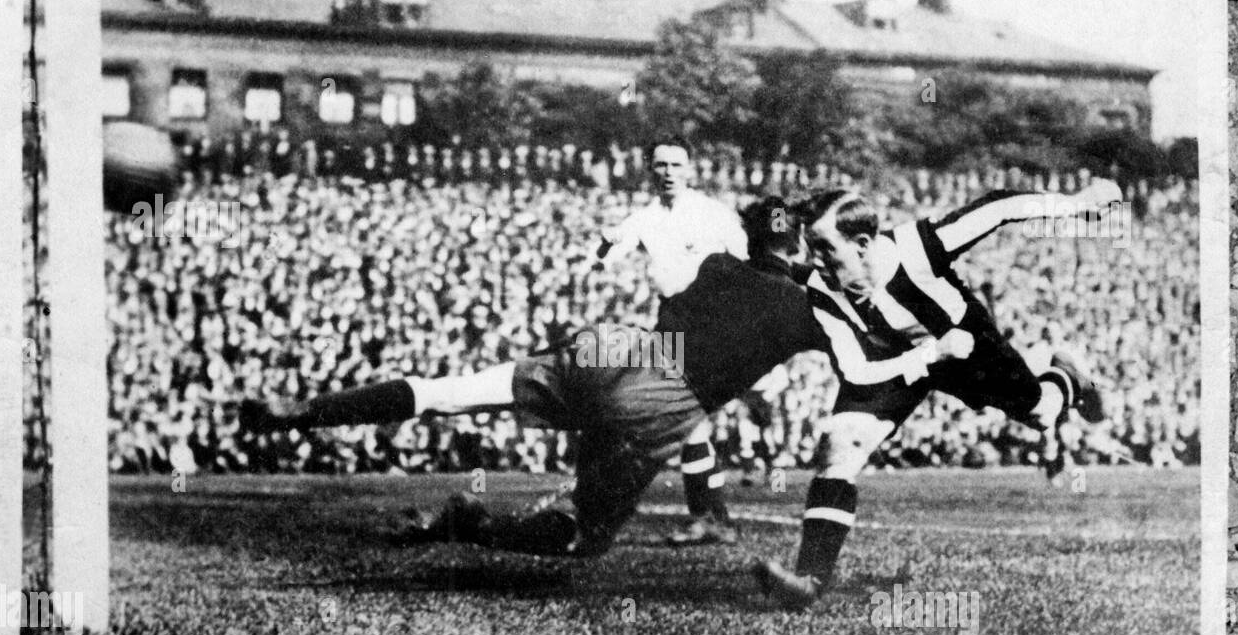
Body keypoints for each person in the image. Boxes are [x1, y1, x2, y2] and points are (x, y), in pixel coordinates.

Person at [238, 198, 970, 560]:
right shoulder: (807, 304)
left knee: (449, 391)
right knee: (582, 542)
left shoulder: (716, 266)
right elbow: (866, 361)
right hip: (660, 400)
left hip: (613, 349)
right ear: (802, 249)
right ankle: (468, 521)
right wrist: (936, 348)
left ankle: (301, 411)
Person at [754, 182, 1121, 609]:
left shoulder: (918, 246)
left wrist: (1074, 206)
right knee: (841, 441)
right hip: (899, 358)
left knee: (1042, 414)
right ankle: (809, 579)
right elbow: (857, 371)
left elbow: (997, 208)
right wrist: (930, 353)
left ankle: (1065, 375)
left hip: (969, 347)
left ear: (862, 244)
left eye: (824, 248)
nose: (814, 260)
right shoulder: (823, 287)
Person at [596, 136, 748, 545]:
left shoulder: (713, 214)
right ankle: (713, 517)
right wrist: (603, 244)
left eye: (677, 165)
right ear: (650, 168)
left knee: (685, 415)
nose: (668, 173)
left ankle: (709, 517)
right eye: (661, 165)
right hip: (671, 319)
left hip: (707, 317)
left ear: (690, 169)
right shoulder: (643, 217)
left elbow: (747, 264)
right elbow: (605, 255)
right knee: (687, 420)